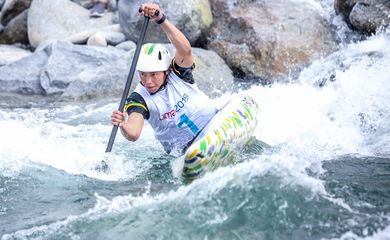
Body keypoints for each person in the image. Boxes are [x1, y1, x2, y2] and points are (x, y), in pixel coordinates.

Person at [111, 3, 217, 157]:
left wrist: (161, 19)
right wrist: (122, 124)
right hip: (183, 152)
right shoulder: (138, 99)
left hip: (214, 126)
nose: (147, 81)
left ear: (166, 70)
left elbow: (185, 49)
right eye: (143, 74)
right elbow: (133, 134)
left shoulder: (178, 73)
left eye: (154, 74)